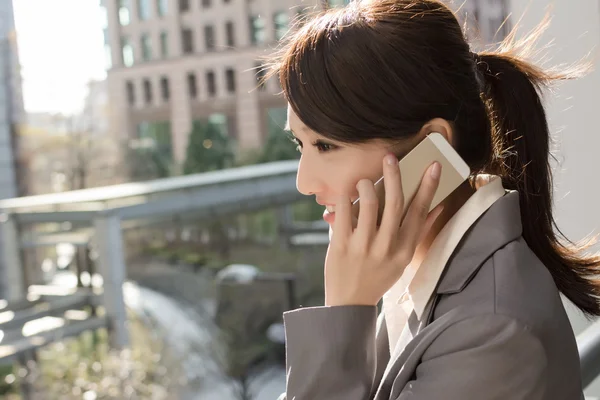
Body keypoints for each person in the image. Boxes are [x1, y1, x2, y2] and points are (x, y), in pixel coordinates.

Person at [267, 0, 600, 399]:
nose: (305, 183)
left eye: (325, 145)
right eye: (299, 143)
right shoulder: (413, 269)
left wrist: (343, 310)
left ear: (432, 147)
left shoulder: (490, 332)